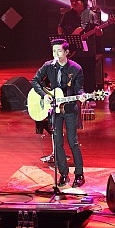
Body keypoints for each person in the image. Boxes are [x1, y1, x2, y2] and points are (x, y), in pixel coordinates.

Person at [31, 38, 88, 188]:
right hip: (55, 110)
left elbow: (79, 89)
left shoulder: (76, 68)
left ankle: (79, 174)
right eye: (54, 51)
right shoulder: (48, 66)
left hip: (69, 109)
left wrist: (82, 95)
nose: (56, 54)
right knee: (57, 142)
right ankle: (63, 173)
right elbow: (35, 81)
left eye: (59, 51)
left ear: (67, 52)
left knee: (72, 141)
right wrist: (44, 95)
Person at [58, 0, 103, 92]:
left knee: (89, 75)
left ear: (83, 2)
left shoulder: (91, 14)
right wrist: (62, 38)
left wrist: (98, 31)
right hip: (72, 51)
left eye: (76, 1)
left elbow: (99, 34)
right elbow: (60, 27)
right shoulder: (67, 15)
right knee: (72, 75)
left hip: (87, 51)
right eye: (72, 1)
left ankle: (89, 95)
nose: (73, 3)